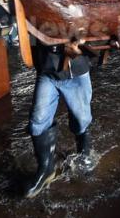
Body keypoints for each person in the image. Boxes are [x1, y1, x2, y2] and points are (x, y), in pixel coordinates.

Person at [24, 37, 93, 198]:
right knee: (38, 120)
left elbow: (102, 22)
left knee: (81, 119)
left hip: (76, 70)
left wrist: (115, 36)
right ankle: (46, 169)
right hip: (48, 71)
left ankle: (84, 153)